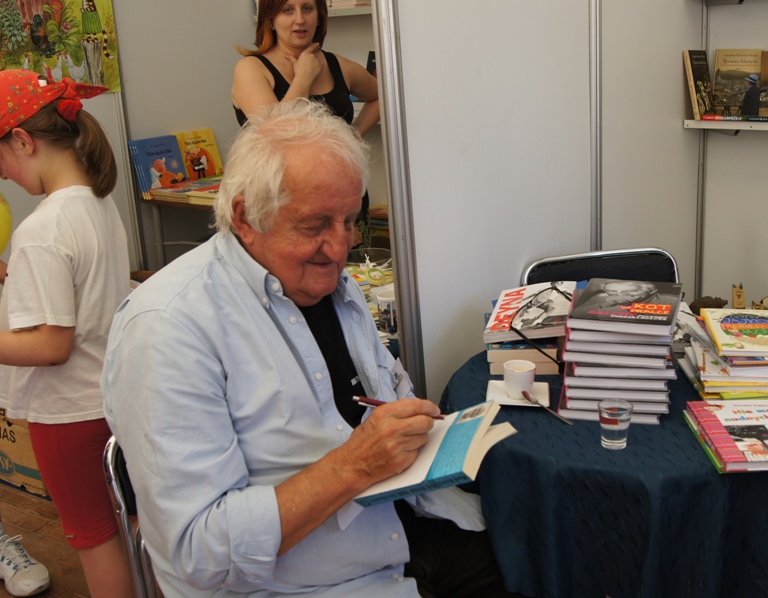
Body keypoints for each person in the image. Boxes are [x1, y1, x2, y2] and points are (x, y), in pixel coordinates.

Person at [102, 99, 518, 598]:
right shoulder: (168, 329)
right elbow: (199, 553)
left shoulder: (330, 285)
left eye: (349, 220)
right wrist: (352, 466)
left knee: (542, 557)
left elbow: (383, 392)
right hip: (303, 583)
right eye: (315, 225)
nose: (341, 248)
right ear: (245, 217)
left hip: (402, 529)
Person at [0, 70, 133, 597]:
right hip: (108, 399)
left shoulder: (41, 228)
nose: (3, 176)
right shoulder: (97, 204)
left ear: (22, 141)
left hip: (66, 415)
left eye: (0, 160)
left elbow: (52, 345)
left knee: (94, 539)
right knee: (127, 529)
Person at [231, 0, 379, 248]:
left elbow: (384, 94)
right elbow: (275, 130)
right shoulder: (251, 69)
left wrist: (353, 134)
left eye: (307, 8)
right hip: (283, 205)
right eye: (287, 10)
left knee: (352, 271)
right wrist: (304, 77)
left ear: (319, 16)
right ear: (270, 19)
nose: (299, 19)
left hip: (343, 200)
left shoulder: (338, 65)